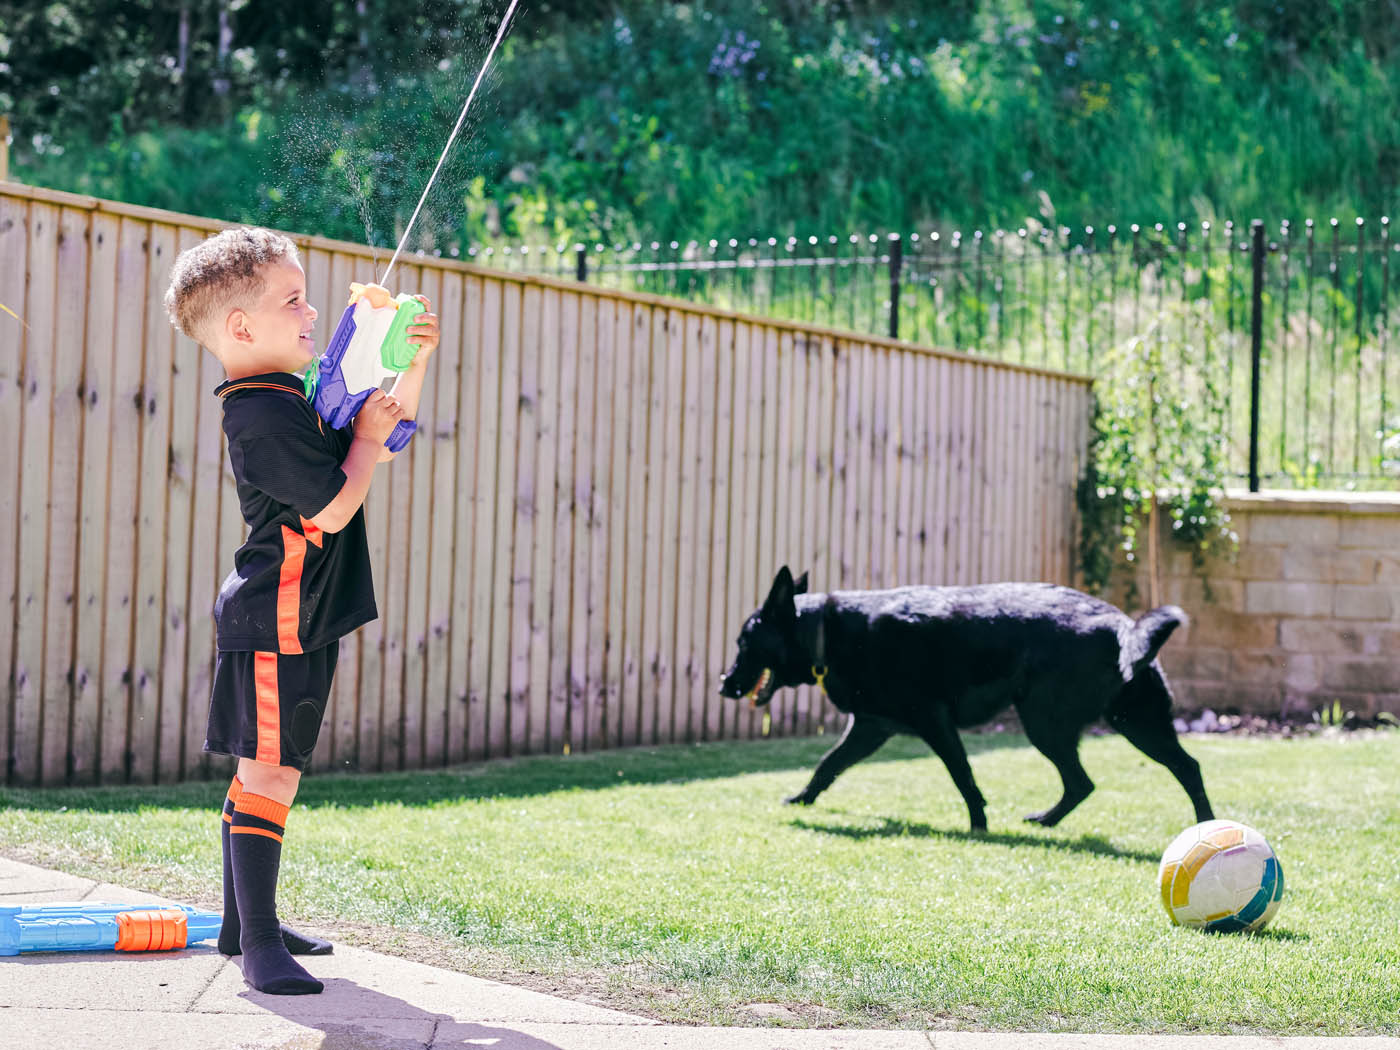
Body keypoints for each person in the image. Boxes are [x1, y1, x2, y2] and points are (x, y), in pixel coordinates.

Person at [162, 227, 439, 994]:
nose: (312, 310)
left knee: (267, 770)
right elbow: (338, 505)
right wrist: (367, 442)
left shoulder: (293, 395)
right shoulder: (258, 417)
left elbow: (383, 440)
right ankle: (258, 948)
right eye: (293, 299)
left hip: (298, 613)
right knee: (270, 776)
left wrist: (409, 360)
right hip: (277, 615)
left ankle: (240, 924)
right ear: (242, 327)